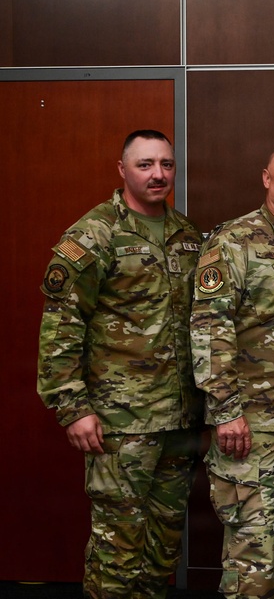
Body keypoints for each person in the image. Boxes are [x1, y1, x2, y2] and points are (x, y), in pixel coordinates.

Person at [37, 129, 203, 599]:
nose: (158, 174)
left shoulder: (187, 235)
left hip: (180, 420)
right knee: (118, 549)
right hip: (120, 421)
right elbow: (61, 325)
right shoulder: (94, 235)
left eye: (166, 164)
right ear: (122, 170)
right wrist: (73, 408)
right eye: (145, 164)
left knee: (163, 548)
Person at [189, 146, 274, 599]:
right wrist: (226, 411)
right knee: (253, 564)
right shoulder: (233, 241)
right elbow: (210, 328)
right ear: (267, 179)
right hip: (250, 429)